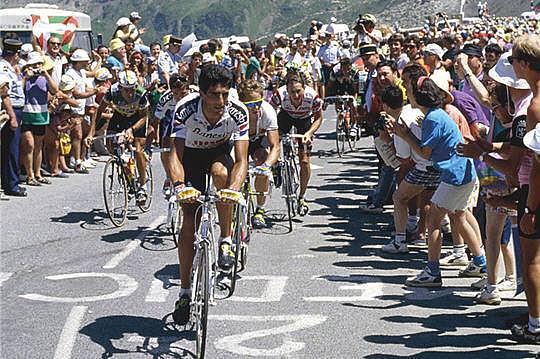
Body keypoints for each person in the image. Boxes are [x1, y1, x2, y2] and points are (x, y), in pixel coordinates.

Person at [169, 65, 249, 325]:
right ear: (202, 93)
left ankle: (225, 239)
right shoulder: (184, 109)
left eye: (225, 94)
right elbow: (173, 155)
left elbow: (242, 158)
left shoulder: (237, 111)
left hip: (219, 152)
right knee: (189, 219)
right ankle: (184, 292)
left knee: (221, 176)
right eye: (215, 95)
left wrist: (234, 190)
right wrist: (180, 187)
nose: (221, 101)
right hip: (190, 156)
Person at [390, 76, 485, 287]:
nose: (408, 95)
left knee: (433, 220)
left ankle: (432, 272)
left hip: (454, 174)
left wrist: (405, 135)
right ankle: (480, 262)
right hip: (463, 172)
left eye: (410, 91)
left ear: (419, 96)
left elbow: (424, 153)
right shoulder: (435, 115)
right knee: (459, 216)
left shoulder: (433, 118)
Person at [380, 84, 438, 253]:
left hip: (424, 166)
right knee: (430, 200)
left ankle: (400, 241)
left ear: (385, 106)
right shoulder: (413, 111)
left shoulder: (400, 121)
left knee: (398, 197)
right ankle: (423, 236)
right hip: (442, 164)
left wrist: (386, 141)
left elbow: (403, 159)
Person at [86, 70, 150, 205]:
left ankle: (142, 187)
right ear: (120, 87)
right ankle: (129, 174)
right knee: (113, 149)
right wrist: (91, 133)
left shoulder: (141, 93)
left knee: (138, 150)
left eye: (131, 89)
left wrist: (131, 130)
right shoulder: (112, 92)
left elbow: (144, 116)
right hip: (119, 116)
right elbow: (98, 112)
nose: (130, 93)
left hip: (137, 119)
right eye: (126, 90)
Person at [271, 70, 324, 215]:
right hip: (285, 116)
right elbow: (270, 113)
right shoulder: (279, 94)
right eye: (291, 92)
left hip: (305, 120)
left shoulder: (312, 96)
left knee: (305, 161)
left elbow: (319, 118)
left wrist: (309, 133)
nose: (295, 95)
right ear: (286, 90)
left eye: (298, 91)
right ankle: (276, 165)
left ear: (304, 88)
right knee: (273, 140)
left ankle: (301, 196)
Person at [238, 79, 280, 228]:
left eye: (258, 102)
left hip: (258, 140)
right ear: (242, 104)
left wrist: (267, 165)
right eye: (250, 105)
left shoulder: (267, 111)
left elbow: (275, 145)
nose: (256, 108)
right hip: (239, 139)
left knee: (262, 161)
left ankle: (260, 210)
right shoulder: (234, 113)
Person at [20, 52, 59, 186]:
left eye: (39, 64)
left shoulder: (44, 78)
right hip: (26, 114)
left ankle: (37, 173)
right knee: (29, 144)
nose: (37, 67)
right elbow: (17, 91)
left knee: (38, 145)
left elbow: (55, 90)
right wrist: (25, 77)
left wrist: (46, 75)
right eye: (34, 64)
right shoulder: (23, 77)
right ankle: (29, 175)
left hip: (41, 115)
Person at [153, 73, 190, 194]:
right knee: (165, 149)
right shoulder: (165, 98)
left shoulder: (196, 93)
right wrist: (152, 140)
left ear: (188, 88)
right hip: (174, 119)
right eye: (175, 94)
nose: (179, 97)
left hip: (191, 120)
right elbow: (156, 121)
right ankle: (169, 176)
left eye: (183, 93)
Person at [0, 38, 26, 197]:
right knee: (11, 149)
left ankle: (9, 182)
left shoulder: (11, 68)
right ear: (15, 54)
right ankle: (12, 185)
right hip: (12, 110)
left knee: (10, 148)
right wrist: (12, 116)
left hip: (16, 108)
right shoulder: (3, 68)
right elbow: (4, 93)